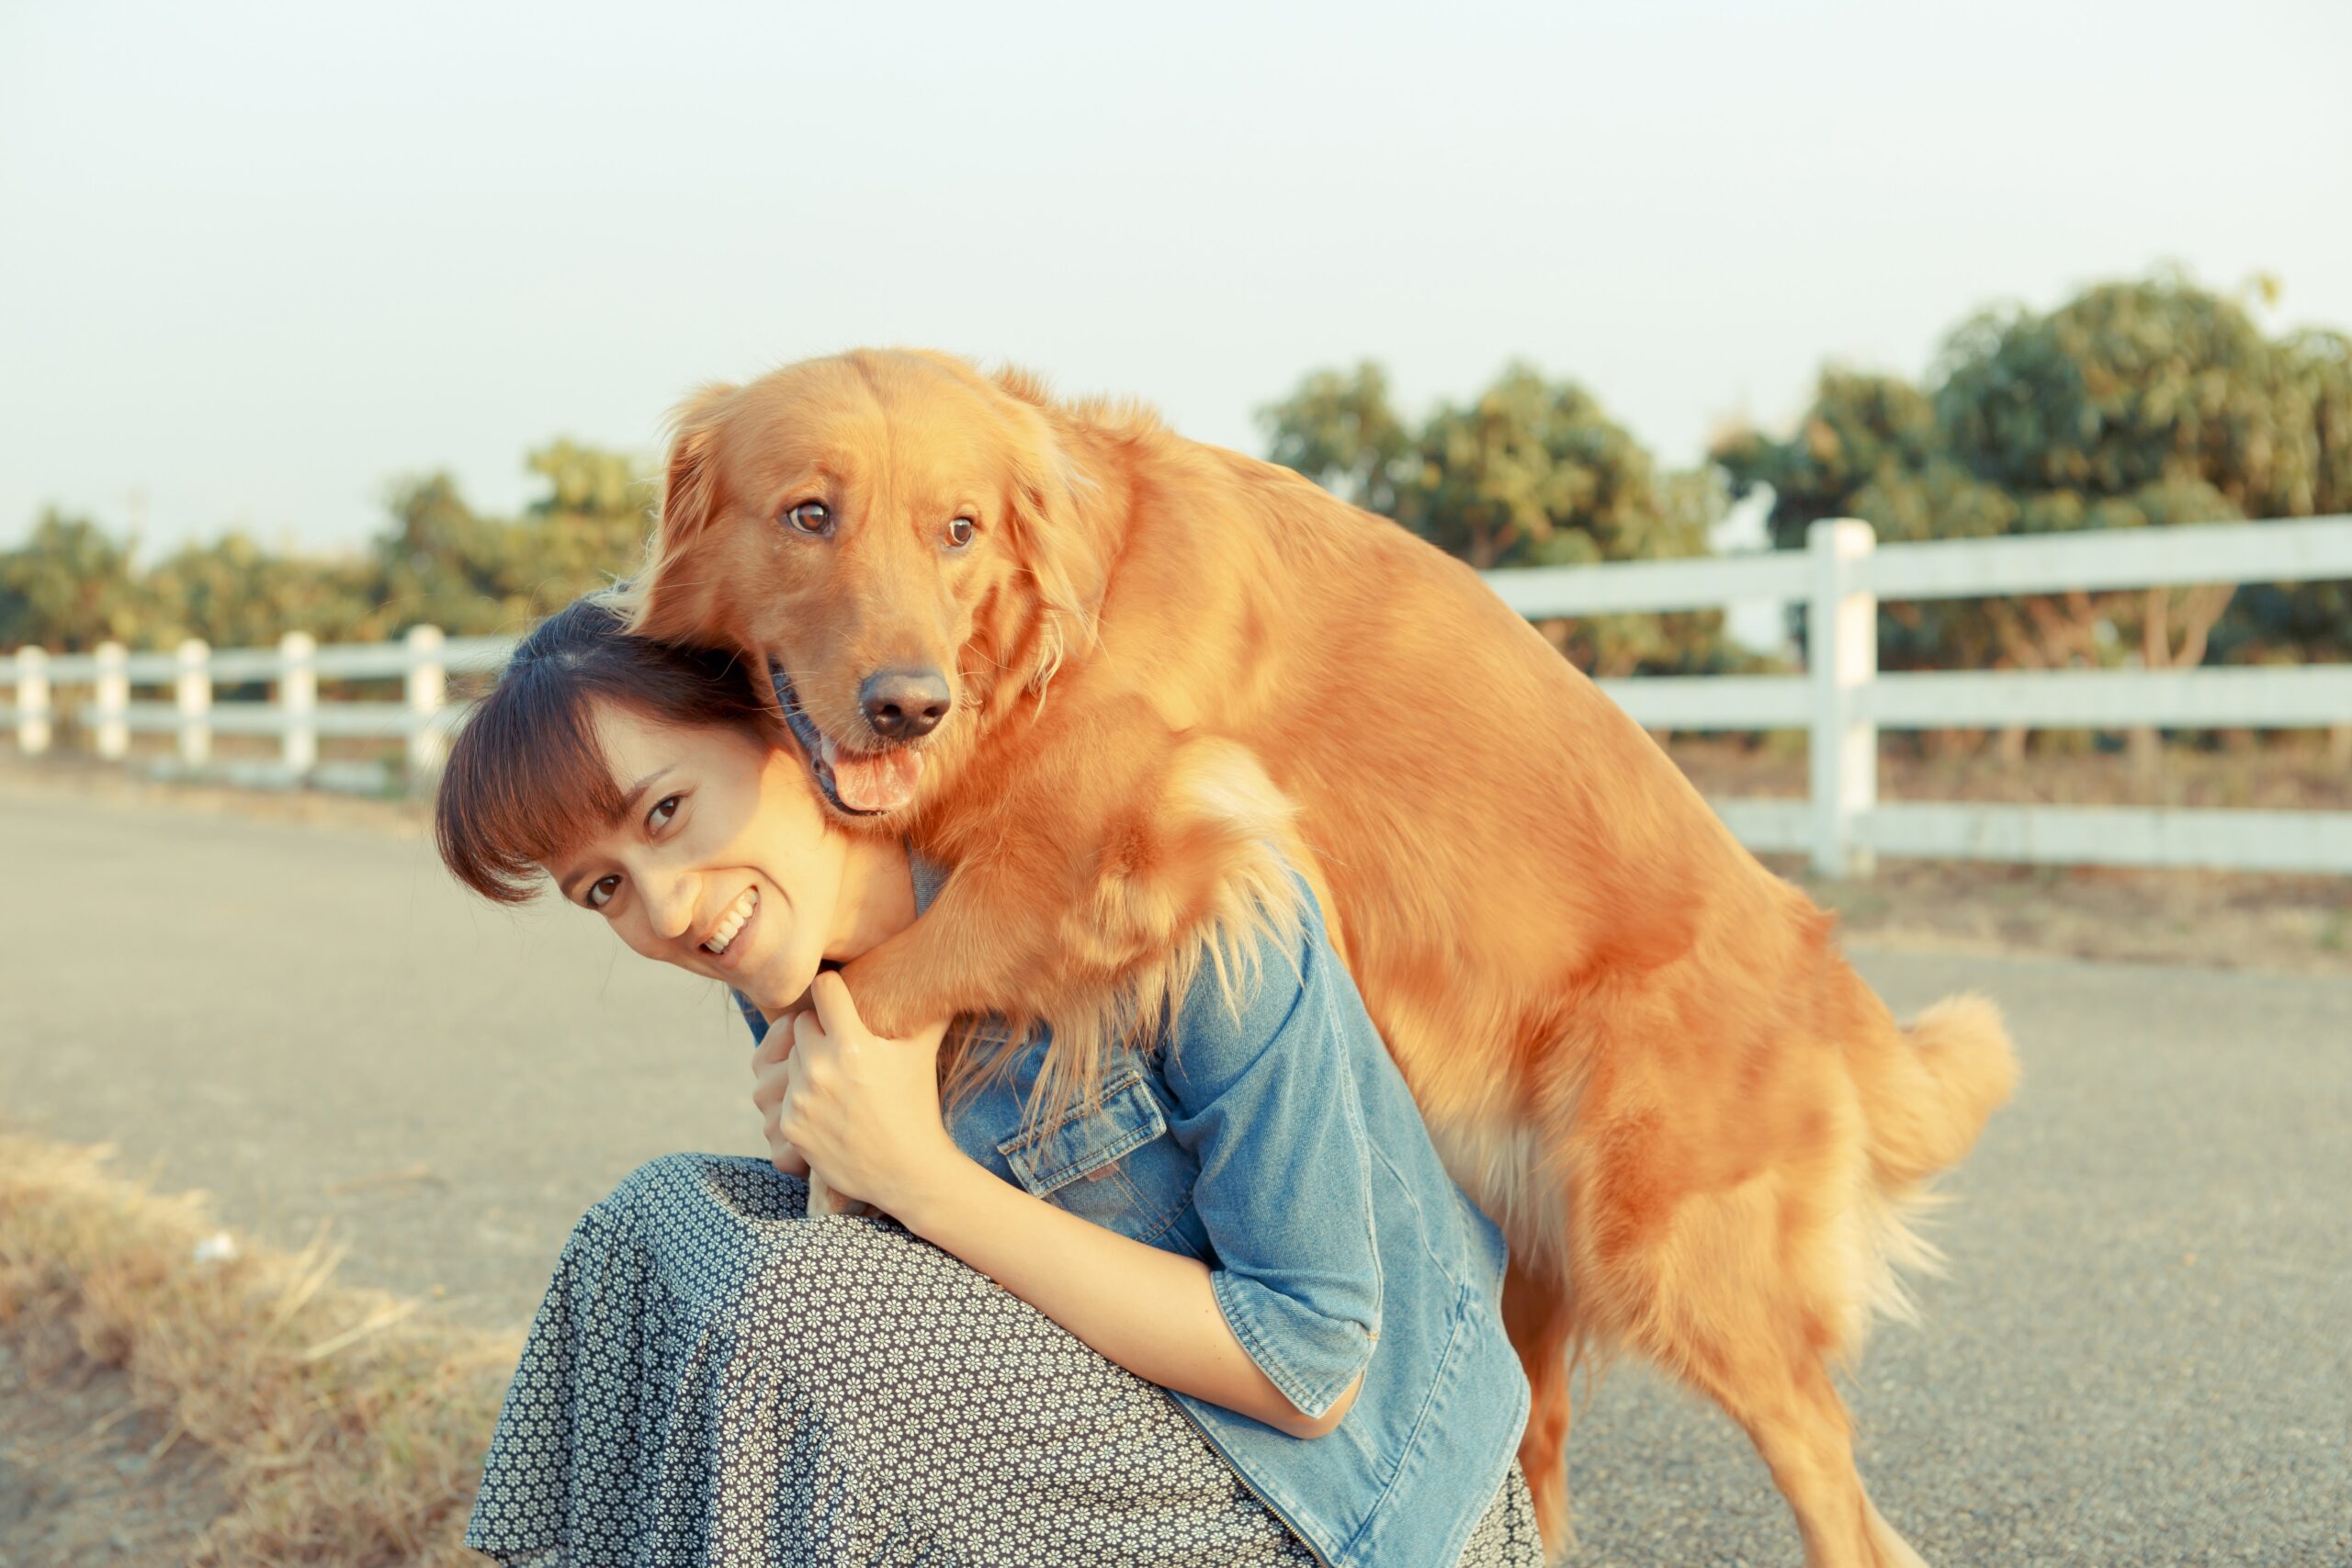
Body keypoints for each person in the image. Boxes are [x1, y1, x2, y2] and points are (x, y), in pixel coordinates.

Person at [433, 593, 1538, 1567]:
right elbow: (902, 1308)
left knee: (790, 1315)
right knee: (650, 1232)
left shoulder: (1160, 871)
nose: (666, 910)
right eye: (604, 890)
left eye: (665, 812)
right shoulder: (788, 948)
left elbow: (1309, 1365)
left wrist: (915, 1176)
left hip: (1346, 1504)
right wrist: (835, 1168)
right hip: (1084, 1440)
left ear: (792, 725)